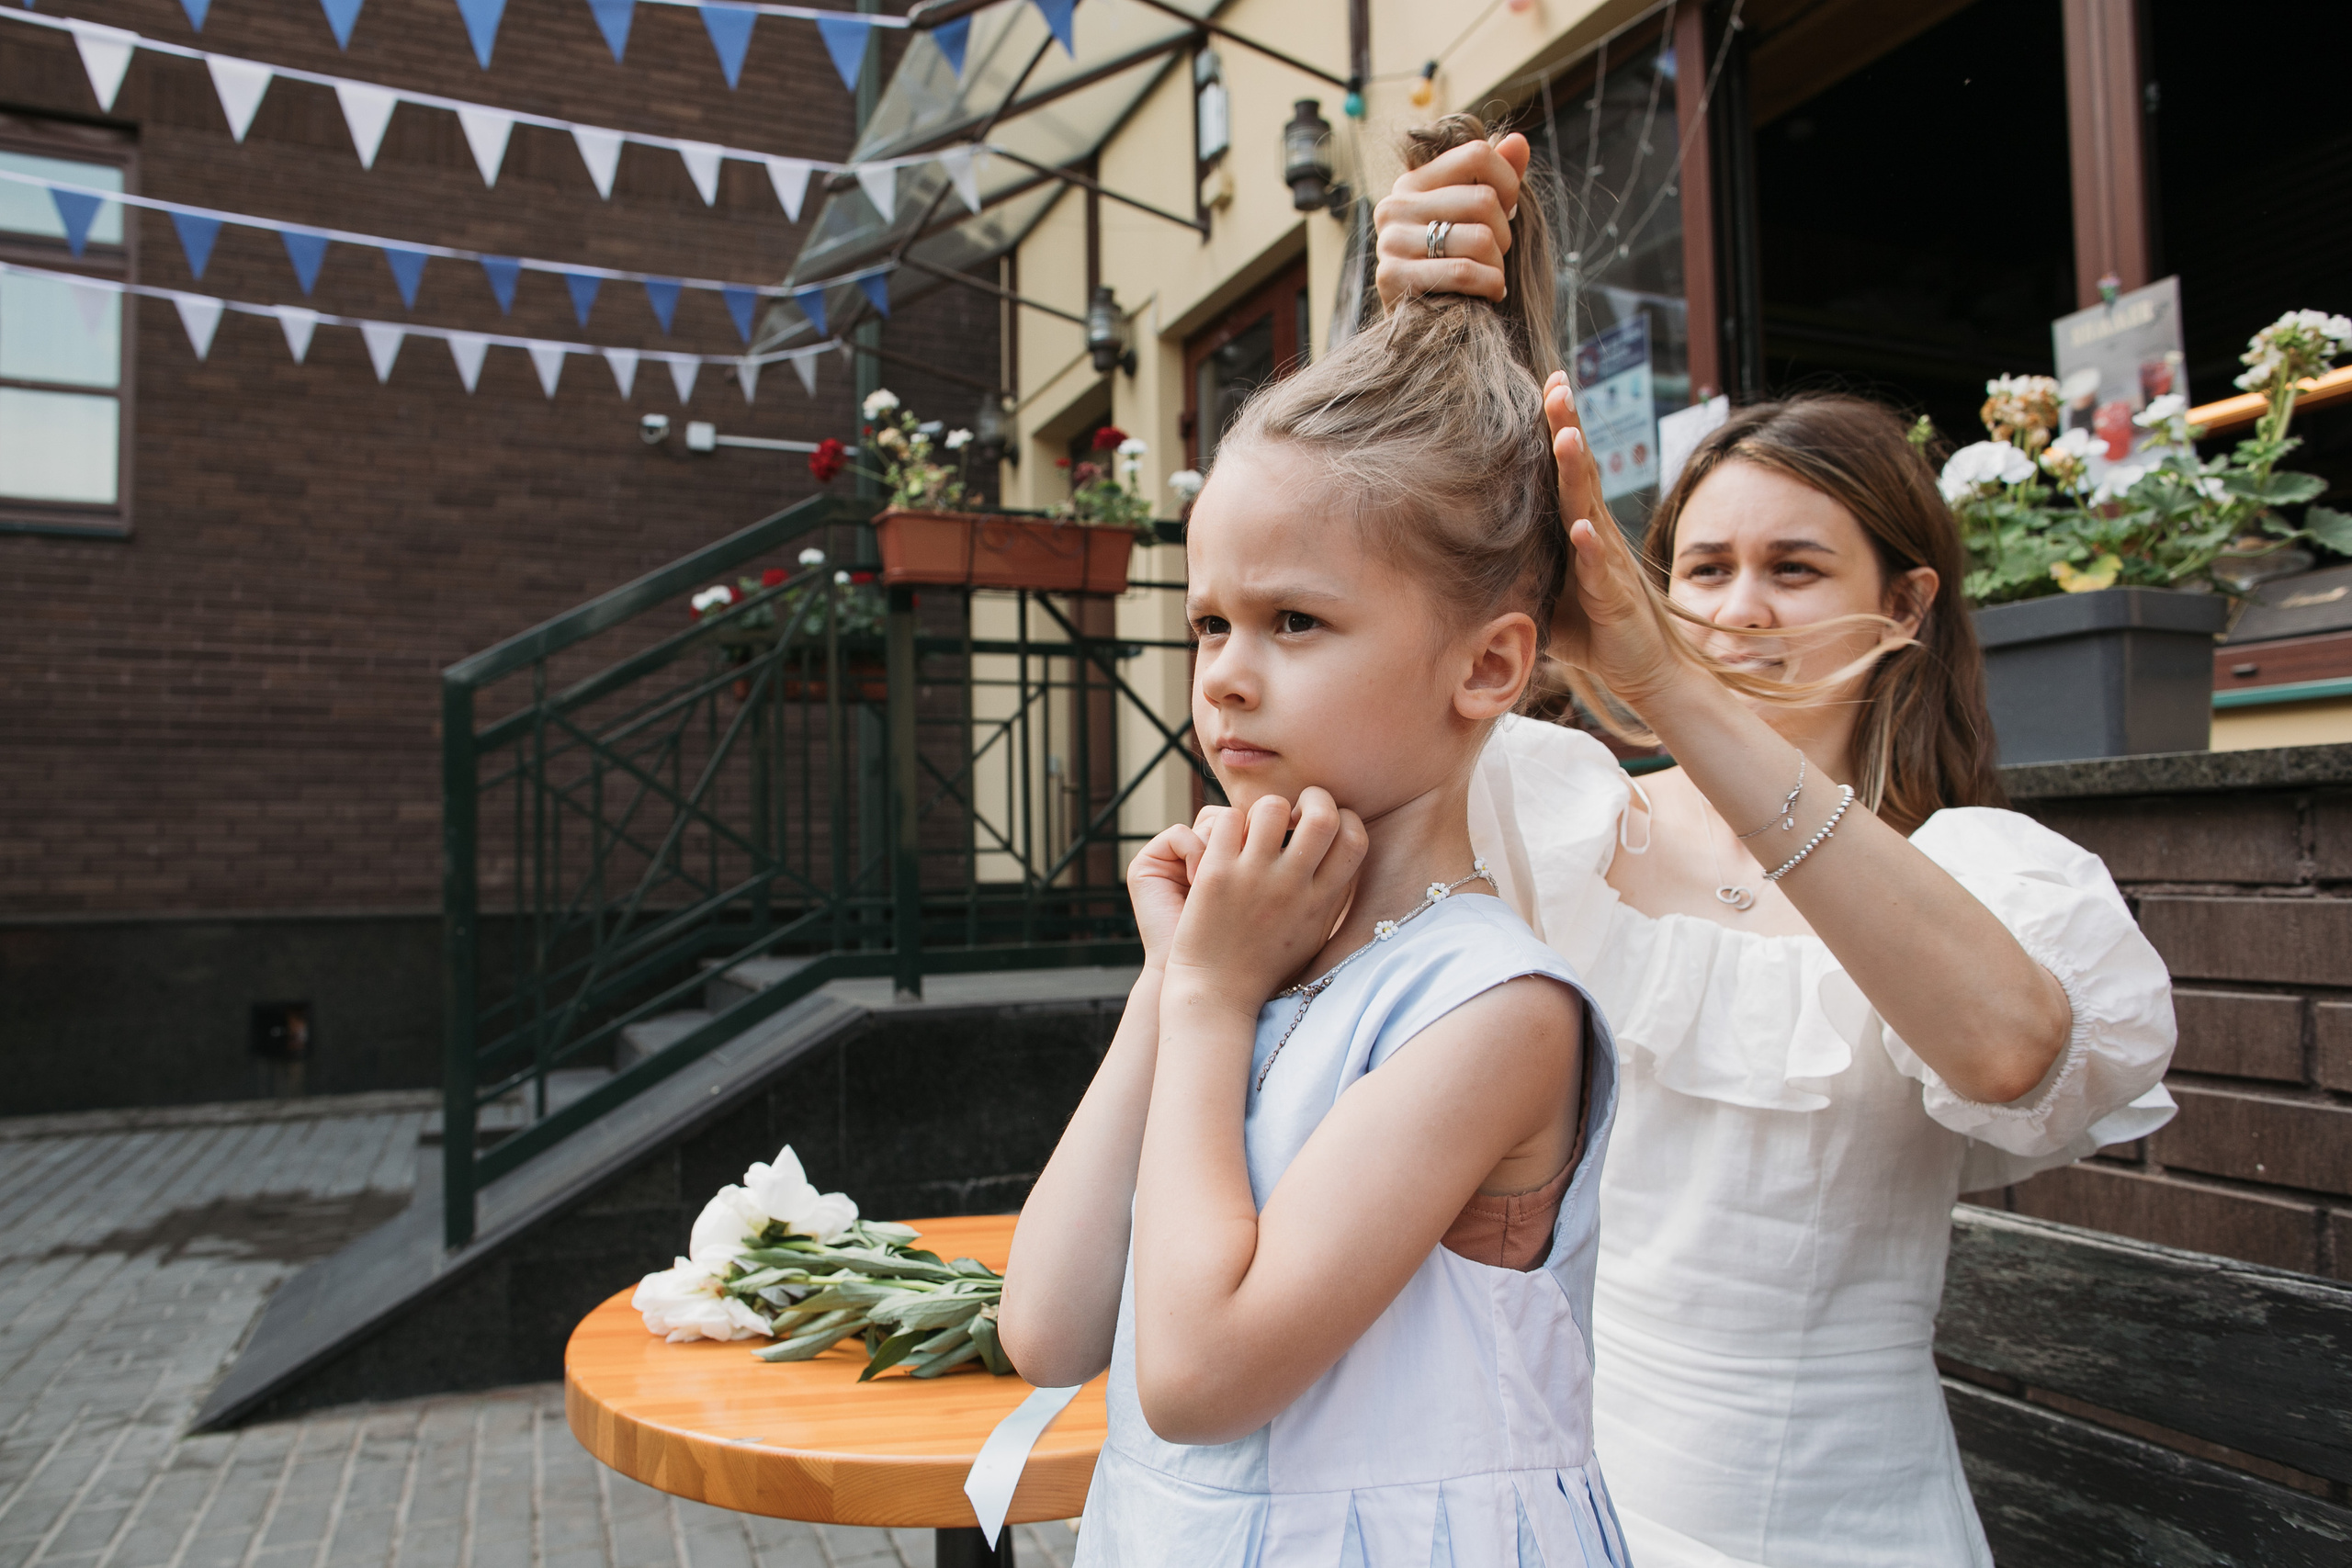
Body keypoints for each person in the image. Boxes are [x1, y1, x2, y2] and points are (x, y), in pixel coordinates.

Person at [1372, 133, 2177, 1566]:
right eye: (1704, 568)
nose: (1739, 609)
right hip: (1546, 1514)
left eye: (1794, 569)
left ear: (1911, 603)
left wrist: (1669, 688)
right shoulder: (1556, 813)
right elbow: (1347, 673)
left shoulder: (1987, 870)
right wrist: (1406, 337)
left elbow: (2011, 1055)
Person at [1001, 118, 1632, 1567]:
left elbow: (1206, 1376)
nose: (1224, 671)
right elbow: (1044, 1328)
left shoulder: (1494, 1009)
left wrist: (1217, 999)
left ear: (1487, 668)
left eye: (1295, 623)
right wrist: (1177, 984)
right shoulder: (1249, 955)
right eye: (1209, 621)